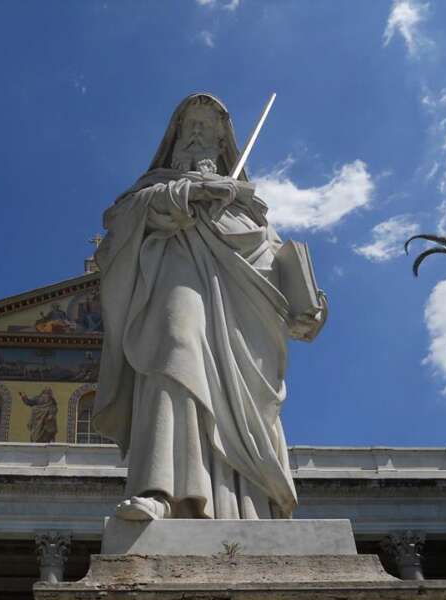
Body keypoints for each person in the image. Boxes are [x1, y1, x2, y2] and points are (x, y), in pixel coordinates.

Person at [92, 93, 326, 521]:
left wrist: (307, 304)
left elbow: (271, 259)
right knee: (173, 351)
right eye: (191, 127)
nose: (198, 136)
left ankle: (252, 506)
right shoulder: (153, 188)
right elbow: (117, 225)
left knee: (245, 399)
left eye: (207, 129)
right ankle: (160, 490)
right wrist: (187, 194)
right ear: (175, 139)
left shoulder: (247, 207)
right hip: (175, 277)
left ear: (224, 144)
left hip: (240, 315)